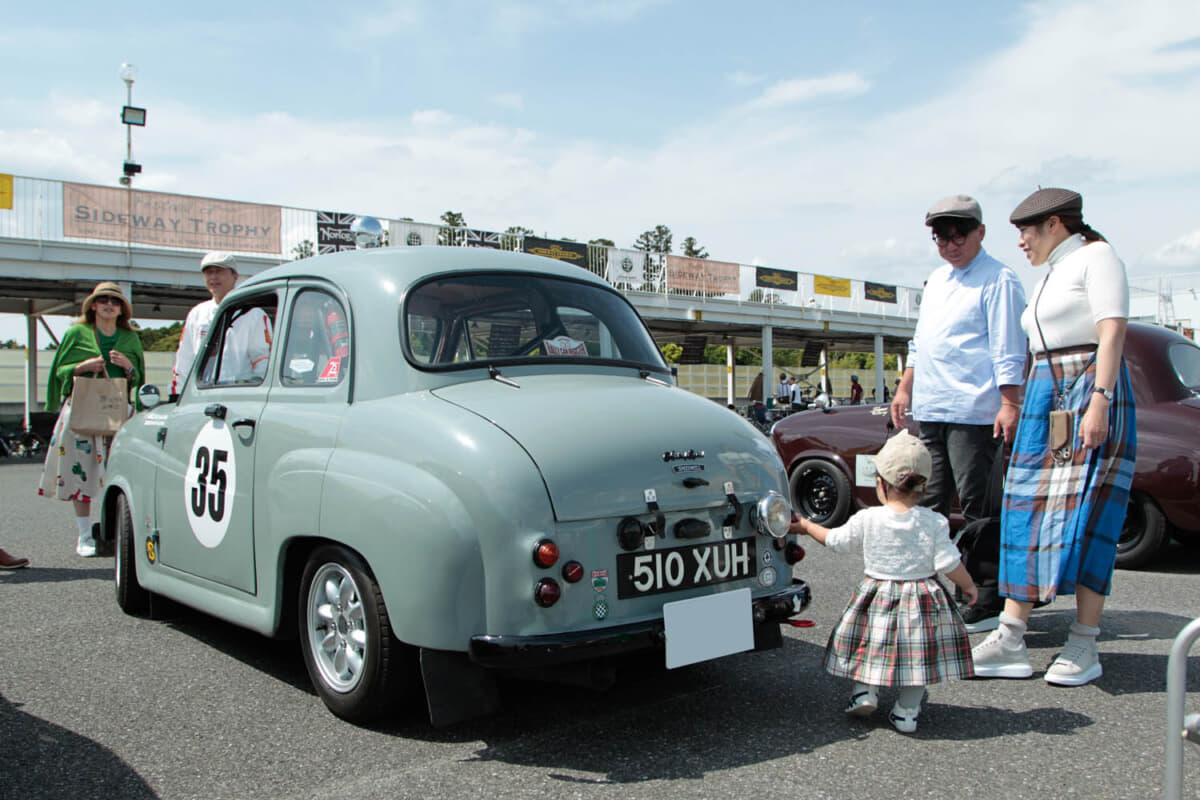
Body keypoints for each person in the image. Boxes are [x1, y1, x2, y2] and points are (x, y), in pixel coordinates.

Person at [971, 188, 1136, 687]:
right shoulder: (1051, 273)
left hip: (1087, 387)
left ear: (1056, 224)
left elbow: (1112, 333)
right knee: (1026, 511)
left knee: (1087, 516)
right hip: (1048, 393)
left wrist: (1100, 400)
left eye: (1026, 230)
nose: (1020, 241)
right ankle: (1011, 635)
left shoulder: (1096, 256)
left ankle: (1085, 643)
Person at [890, 194, 1027, 634]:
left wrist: (1010, 403)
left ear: (980, 233)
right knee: (927, 505)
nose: (950, 244)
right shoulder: (937, 280)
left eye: (958, 234)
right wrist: (906, 386)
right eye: (940, 237)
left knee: (978, 506)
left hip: (974, 412)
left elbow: (1009, 349)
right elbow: (919, 342)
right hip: (931, 408)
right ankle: (931, 590)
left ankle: (986, 596)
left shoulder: (998, 279)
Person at [790, 430, 977, 733]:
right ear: (924, 485)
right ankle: (906, 711)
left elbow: (836, 540)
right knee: (919, 660)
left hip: (877, 593)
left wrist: (808, 526)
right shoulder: (934, 522)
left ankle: (865, 691)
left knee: (870, 646)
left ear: (880, 483)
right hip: (923, 599)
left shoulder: (868, 518)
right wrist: (968, 585)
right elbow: (949, 563)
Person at [38, 282, 145, 557]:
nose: (109, 304)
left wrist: (128, 367)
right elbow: (59, 371)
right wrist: (81, 367)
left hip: (117, 411)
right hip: (83, 410)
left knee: (122, 473)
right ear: (93, 305)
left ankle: (119, 533)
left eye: (115, 301)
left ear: (122, 308)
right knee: (79, 471)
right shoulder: (77, 333)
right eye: (103, 300)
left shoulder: (130, 337)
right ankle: (84, 535)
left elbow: (140, 378)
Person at [171, 252, 272, 393]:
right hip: (201, 395)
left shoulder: (254, 314)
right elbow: (184, 360)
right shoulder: (197, 314)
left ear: (235, 276)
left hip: (238, 396)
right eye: (208, 273)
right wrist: (176, 394)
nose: (213, 277)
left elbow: (263, 361)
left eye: (219, 271)